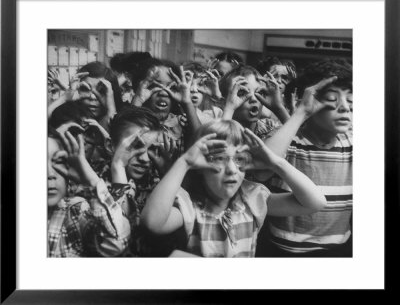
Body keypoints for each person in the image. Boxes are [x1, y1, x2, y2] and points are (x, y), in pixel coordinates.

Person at [141, 120, 326, 257]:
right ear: (199, 168)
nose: (231, 169)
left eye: (239, 160)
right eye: (219, 158)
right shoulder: (190, 205)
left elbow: (315, 203)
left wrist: (275, 163)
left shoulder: (253, 199)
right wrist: (185, 162)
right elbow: (152, 223)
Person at [259, 59, 353, 257]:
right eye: (332, 99)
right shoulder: (288, 141)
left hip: (340, 252)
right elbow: (262, 167)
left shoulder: (352, 145)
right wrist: (301, 113)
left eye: (351, 101)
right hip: (283, 253)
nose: (345, 108)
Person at [108, 106, 182, 256]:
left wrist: (167, 172)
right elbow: (119, 236)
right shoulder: (94, 183)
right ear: (110, 146)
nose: (144, 159)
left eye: (152, 150)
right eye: (135, 146)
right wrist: (118, 167)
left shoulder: (157, 182)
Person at [47, 128, 130, 257]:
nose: (50, 174)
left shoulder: (74, 212)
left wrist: (92, 182)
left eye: (58, 162)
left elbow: (117, 243)